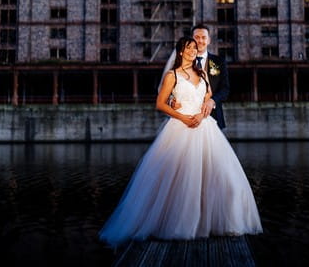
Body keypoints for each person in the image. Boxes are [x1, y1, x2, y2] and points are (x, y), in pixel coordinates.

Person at [99, 37, 262, 247]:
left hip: (204, 127)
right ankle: (179, 224)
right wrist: (182, 116)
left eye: (195, 47)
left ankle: (214, 221)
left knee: (220, 175)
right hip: (181, 126)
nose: (194, 50)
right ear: (181, 51)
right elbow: (160, 103)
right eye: (189, 47)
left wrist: (204, 112)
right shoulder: (172, 75)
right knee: (182, 179)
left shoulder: (202, 73)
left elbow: (208, 96)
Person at [159, 24, 230, 129]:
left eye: (204, 37)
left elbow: (225, 89)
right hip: (184, 120)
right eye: (197, 37)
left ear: (209, 40)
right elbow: (168, 88)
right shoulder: (180, 63)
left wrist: (212, 101)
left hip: (213, 119)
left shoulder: (219, 62)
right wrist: (171, 100)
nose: (200, 41)